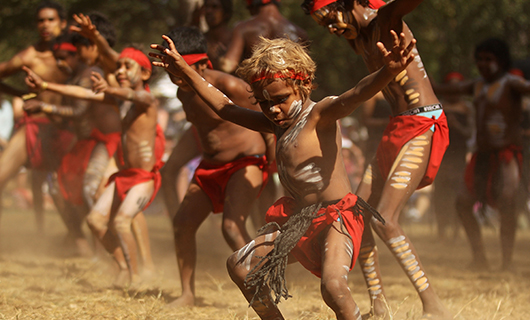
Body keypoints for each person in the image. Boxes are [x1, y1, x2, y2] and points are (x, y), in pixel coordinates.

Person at [151, 29, 413, 319]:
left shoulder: (319, 115)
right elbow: (225, 107)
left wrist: (387, 72)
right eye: (263, 103)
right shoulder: (277, 124)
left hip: (337, 218)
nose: (272, 110)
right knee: (239, 265)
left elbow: (356, 94)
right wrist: (184, 70)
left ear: (304, 85)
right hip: (299, 220)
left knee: (334, 288)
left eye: (280, 99)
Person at [303, 0, 450, 317]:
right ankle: (379, 305)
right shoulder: (358, 39)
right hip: (397, 125)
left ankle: (432, 304)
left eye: (330, 18)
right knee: (358, 214)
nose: (331, 29)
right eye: (323, 24)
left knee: (385, 218)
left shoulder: (385, 20)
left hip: (424, 123)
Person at [433, 38, 530, 271]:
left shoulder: (511, 83)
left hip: (506, 156)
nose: (482, 64)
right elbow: (447, 89)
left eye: (488, 59)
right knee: (462, 203)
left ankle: (506, 263)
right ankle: (479, 257)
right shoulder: (477, 85)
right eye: (479, 59)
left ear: (500, 61)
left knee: (507, 204)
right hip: (481, 155)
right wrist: (414, 78)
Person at [25, 46, 163, 287]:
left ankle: (137, 278)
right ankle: (122, 267)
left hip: (143, 179)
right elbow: (82, 94)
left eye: (126, 66)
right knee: (95, 221)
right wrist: (45, 87)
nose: (120, 71)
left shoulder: (147, 100)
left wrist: (109, 89)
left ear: (144, 74)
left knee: (121, 222)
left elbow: (138, 97)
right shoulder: (119, 100)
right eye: (118, 66)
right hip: (124, 175)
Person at [154, 27, 272, 307]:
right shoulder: (183, 92)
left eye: (182, 70)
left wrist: (277, 165)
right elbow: (201, 128)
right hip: (210, 168)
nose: (176, 78)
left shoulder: (231, 87)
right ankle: (187, 293)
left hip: (247, 163)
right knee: (182, 224)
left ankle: (263, 290)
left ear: (204, 65)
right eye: (171, 73)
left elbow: (269, 123)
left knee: (231, 228)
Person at [0, 0, 72, 248]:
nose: (45, 25)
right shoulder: (30, 55)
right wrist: (19, 93)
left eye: (51, 19)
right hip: (34, 125)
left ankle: (79, 240)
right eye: (41, 20)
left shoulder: (74, 53)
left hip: (67, 127)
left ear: (62, 23)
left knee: (67, 192)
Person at [433, 71, 474, 240]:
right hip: (441, 156)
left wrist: (455, 125)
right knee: (440, 194)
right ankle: (442, 230)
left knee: (458, 194)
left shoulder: (467, 108)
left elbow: (469, 132)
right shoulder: (438, 106)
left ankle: (457, 232)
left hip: (459, 157)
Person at [218, 0, 308, 74]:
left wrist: (220, 57)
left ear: (252, 5)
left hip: (256, 91)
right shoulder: (300, 33)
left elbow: (228, 66)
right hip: (292, 91)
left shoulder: (243, 29)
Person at [191, 0, 234, 71]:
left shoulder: (235, 39)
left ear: (226, 12)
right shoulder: (200, 40)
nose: (208, 11)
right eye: (206, 7)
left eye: (215, 7)